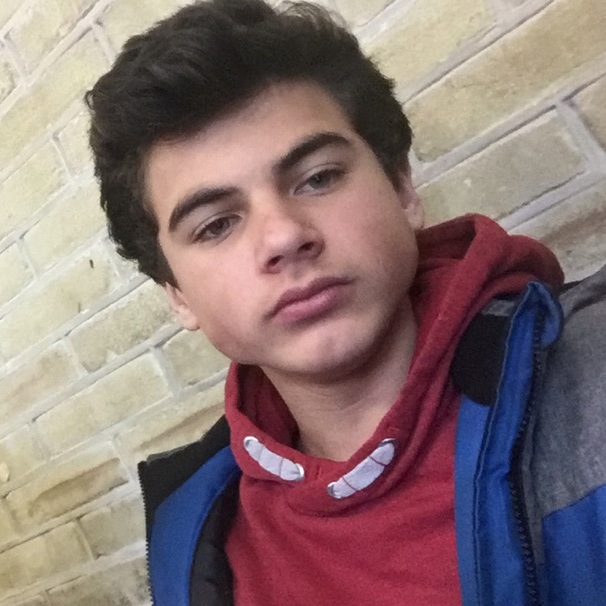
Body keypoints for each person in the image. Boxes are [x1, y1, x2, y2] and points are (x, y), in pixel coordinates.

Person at [85, 1, 606, 604]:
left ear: (402, 187)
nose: (284, 237)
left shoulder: (591, 385)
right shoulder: (187, 530)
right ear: (177, 295)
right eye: (216, 225)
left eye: (319, 178)